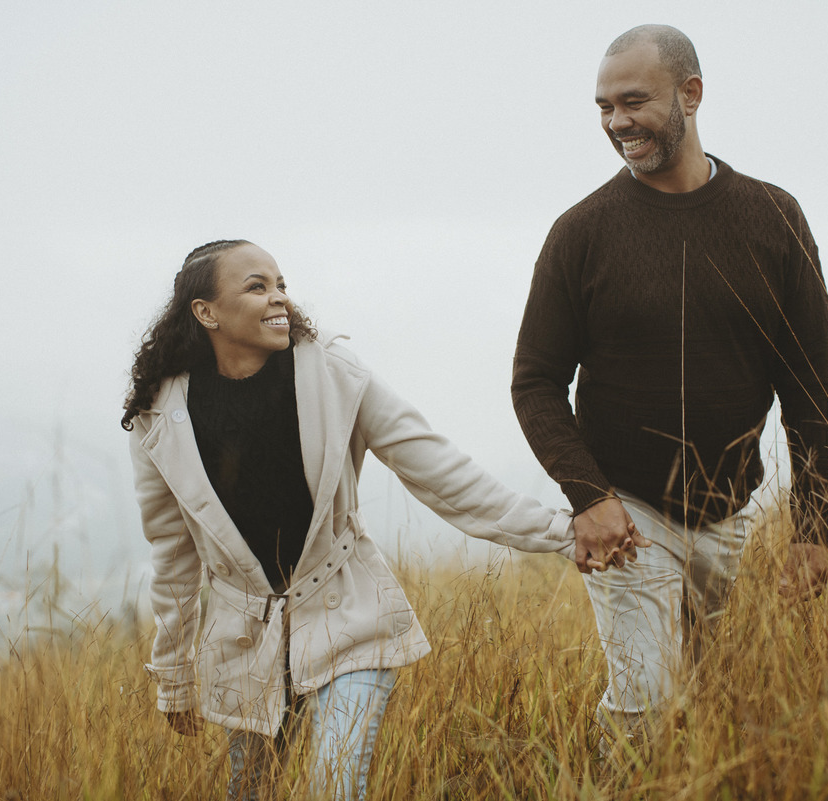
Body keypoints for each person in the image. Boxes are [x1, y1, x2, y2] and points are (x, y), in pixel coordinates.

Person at [123, 239, 578, 800]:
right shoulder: (159, 419)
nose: (279, 299)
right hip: (244, 644)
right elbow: (172, 557)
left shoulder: (333, 374)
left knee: (334, 787)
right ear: (206, 312)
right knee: (249, 791)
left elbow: (439, 471)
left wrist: (563, 533)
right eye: (257, 286)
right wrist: (173, 678)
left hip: (349, 615)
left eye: (281, 284)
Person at [511, 24, 828, 740]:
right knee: (646, 708)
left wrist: (818, 526)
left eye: (633, 100)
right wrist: (589, 497)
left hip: (729, 512)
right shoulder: (581, 233)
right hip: (627, 514)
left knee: (716, 700)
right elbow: (535, 381)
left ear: (691, 94)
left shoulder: (773, 217)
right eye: (603, 106)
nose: (615, 122)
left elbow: (814, 382)